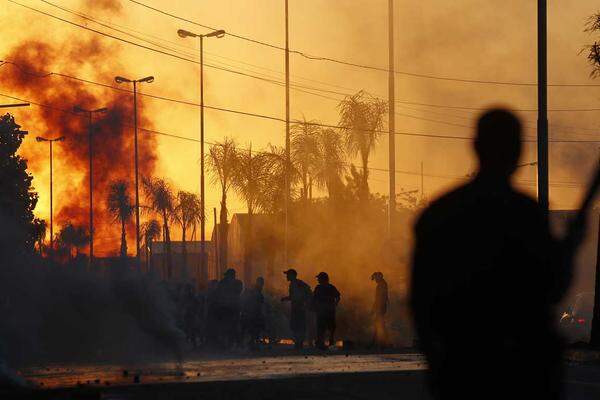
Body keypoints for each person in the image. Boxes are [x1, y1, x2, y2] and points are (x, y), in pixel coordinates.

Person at [410, 109, 586, 400]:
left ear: (475, 146)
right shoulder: (525, 214)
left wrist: (438, 364)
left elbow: (420, 300)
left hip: (462, 366)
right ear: (518, 151)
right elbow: (553, 288)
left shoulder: (440, 213)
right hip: (522, 372)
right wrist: (570, 246)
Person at [281, 269, 312, 349]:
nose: (287, 276)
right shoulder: (294, 284)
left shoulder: (298, 283)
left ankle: (299, 343)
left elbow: (308, 292)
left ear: (292, 275)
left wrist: (305, 303)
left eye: (288, 274)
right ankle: (299, 342)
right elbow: (293, 297)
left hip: (298, 307)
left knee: (298, 325)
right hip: (296, 307)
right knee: (296, 325)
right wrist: (285, 298)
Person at [215, 268, 243, 348]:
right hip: (225, 308)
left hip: (233, 308)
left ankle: (233, 343)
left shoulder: (237, 283)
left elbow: (238, 292)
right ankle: (226, 344)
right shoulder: (222, 283)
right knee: (225, 327)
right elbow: (218, 294)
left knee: (234, 327)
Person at [313, 272, 340, 350]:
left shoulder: (319, 288)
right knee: (330, 328)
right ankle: (328, 343)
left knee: (322, 327)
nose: (318, 280)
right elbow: (338, 297)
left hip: (323, 311)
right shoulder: (331, 287)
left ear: (323, 279)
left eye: (319, 278)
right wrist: (335, 304)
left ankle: (321, 344)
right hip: (329, 310)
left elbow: (314, 299)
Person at [241, 277, 266, 349]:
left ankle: (253, 342)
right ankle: (253, 342)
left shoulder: (257, 290)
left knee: (256, 328)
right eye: (260, 282)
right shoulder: (255, 290)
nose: (261, 284)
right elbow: (257, 301)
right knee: (254, 328)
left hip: (255, 312)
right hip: (254, 312)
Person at [371, 272, 388, 348]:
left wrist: (374, 308)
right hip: (381, 307)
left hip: (381, 307)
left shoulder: (382, 285)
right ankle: (379, 342)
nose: (375, 280)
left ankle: (379, 343)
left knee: (379, 324)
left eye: (375, 278)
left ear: (379, 277)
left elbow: (379, 298)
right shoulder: (382, 284)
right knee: (380, 324)